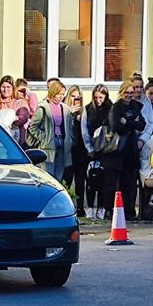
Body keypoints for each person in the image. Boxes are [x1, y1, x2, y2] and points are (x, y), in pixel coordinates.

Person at [99, 81, 146, 220]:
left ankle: (128, 210)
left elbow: (141, 125)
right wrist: (131, 124)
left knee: (129, 182)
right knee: (111, 182)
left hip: (130, 150)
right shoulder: (116, 107)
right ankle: (109, 210)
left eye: (132, 93)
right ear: (121, 92)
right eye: (127, 93)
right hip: (116, 150)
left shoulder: (136, 106)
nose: (129, 96)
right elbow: (116, 125)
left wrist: (128, 122)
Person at [27, 80, 73, 182]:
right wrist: (44, 137)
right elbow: (33, 127)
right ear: (53, 93)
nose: (61, 97)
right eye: (59, 94)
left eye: (63, 94)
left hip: (62, 143)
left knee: (59, 175)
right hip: (48, 145)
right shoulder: (43, 107)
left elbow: (70, 127)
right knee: (48, 175)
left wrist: (70, 139)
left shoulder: (65, 108)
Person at [62, 85, 88, 217]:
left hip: (81, 150)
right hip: (68, 150)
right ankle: (65, 207)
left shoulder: (83, 112)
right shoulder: (64, 110)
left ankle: (80, 207)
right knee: (66, 178)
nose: (75, 100)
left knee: (80, 180)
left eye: (78, 98)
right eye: (73, 97)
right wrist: (69, 113)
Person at [129, 73, 153, 146]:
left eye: (141, 87)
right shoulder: (126, 102)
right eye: (136, 87)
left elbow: (150, 123)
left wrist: (142, 139)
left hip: (144, 139)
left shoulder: (146, 102)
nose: (139, 90)